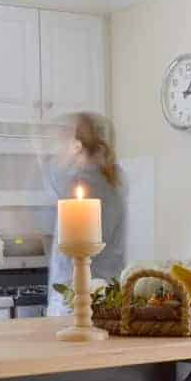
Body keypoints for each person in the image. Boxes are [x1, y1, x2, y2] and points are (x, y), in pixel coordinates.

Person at [44, 112, 126, 316]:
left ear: (76, 145)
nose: (57, 150)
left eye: (60, 141)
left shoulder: (79, 181)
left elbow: (52, 171)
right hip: (107, 294)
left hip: (76, 300)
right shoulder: (113, 178)